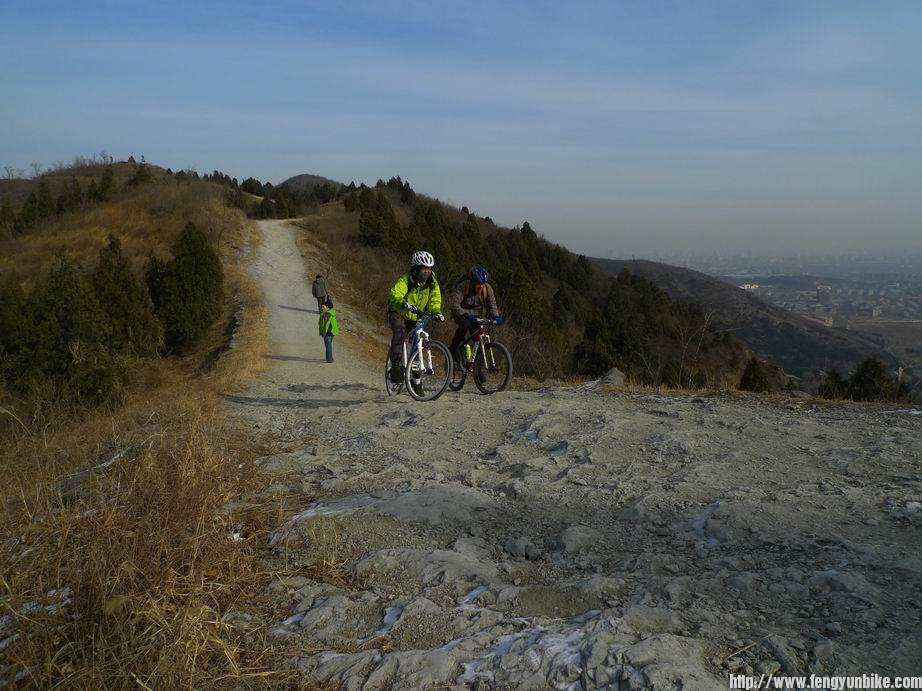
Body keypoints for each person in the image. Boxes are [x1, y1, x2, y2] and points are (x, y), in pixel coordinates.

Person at [387, 250, 443, 382]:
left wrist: (436, 311)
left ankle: (416, 381)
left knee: (418, 343)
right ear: (416, 268)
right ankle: (395, 366)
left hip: (415, 315)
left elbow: (435, 299)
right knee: (400, 333)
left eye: (429, 268)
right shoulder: (406, 279)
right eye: (424, 268)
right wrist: (401, 302)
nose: (427, 271)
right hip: (398, 311)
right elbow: (396, 292)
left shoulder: (432, 283)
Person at [448, 265, 503, 367]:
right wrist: (465, 314)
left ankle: (477, 369)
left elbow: (492, 304)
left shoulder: (487, 289)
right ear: (473, 282)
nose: (481, 287)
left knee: (478, 338)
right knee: (464, 326)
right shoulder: (463, 286)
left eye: (483, 284)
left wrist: (496, 316)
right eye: (479, 284)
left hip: (476, 313)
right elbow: (454, 304)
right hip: (461, 311)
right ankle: (453, 351)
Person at [318, 298, 338, 363]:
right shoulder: (331, 312)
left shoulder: (327, 314)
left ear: (327, 307)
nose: (322, 307)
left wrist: (323, 333)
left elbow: (325, 324)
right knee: (328, 345)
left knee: (328, 346)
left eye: (323, 306)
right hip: (332, 331)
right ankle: (328, 358)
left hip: (328, 332)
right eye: (322, 306)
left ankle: (330, 359)